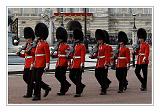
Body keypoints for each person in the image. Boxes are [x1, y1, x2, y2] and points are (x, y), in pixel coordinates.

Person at [32, 23, 51, 101]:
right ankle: (46, 88)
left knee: (37, 79)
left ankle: (37, 95)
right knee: (34, 78)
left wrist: (47, 64)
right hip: (36, 64)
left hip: (42, 64)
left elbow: (47, 55)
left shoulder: (45, 44)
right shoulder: (38, 43)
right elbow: (36, 55)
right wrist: (33, 63)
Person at [90, 29, 112, 95]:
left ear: (102, 39)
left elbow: (107, 56)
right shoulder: (98, 46)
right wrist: (93, 56)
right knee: (97, 75)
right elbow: (97, 54)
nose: (99, 41)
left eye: (100, 39)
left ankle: (103, 89)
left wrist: (106, 64)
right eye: (98, 40)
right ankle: (105, 84)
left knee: (103, 76)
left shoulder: (106, 46)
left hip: (104, 63)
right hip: (98, 63)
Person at [51, 27, 71, 96]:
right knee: (57, 75)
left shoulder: (66, 46)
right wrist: (54, 55)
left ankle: (63, 90)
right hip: (58, 63)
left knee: (62, 77)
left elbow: (68, 55)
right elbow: (59, 54)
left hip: (64, 63)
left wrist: (69, 64)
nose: (58, 40)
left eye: (59, 38)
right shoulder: (59, 45)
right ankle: (67, 84)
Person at [16, 27, 35, 98]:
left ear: (31, 38)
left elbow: (34, 54)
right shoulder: (27, 45)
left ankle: (29, 93)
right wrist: (20, 54)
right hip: (26, 65)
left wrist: (29, 51)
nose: (27, 40)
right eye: (26, 38)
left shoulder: (34, 45)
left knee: (29, 80)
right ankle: (34, 87)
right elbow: (25, 55)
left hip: (31, 65)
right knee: (25, 78)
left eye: (28, 38)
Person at [69, 29, 86, 97]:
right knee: (71, 76)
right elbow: (73, 55)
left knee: (78, 78)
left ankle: (78, 92)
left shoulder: (82, 46)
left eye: (75, 38)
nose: (74, 39)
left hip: (79, 64)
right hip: (74, 63)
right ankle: (81, 86)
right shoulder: (74, 46)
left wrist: (82, 64)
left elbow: (82, 56)